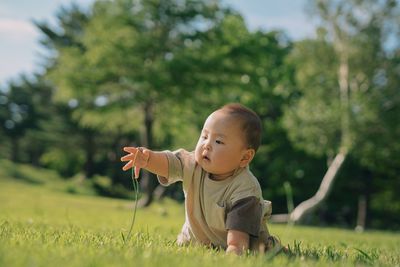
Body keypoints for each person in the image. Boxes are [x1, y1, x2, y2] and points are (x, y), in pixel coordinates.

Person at [121, 103, 280, 255]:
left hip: (246, 243)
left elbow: (239, 235)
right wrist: (148, 159)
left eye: (218, 141)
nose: (207, 145)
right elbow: (169, 164)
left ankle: (275, 246)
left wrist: (234, 249)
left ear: (245, 157)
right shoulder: (192, 164)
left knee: (262, 248)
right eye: (204, 136)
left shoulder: (245, 189)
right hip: (196, 239)